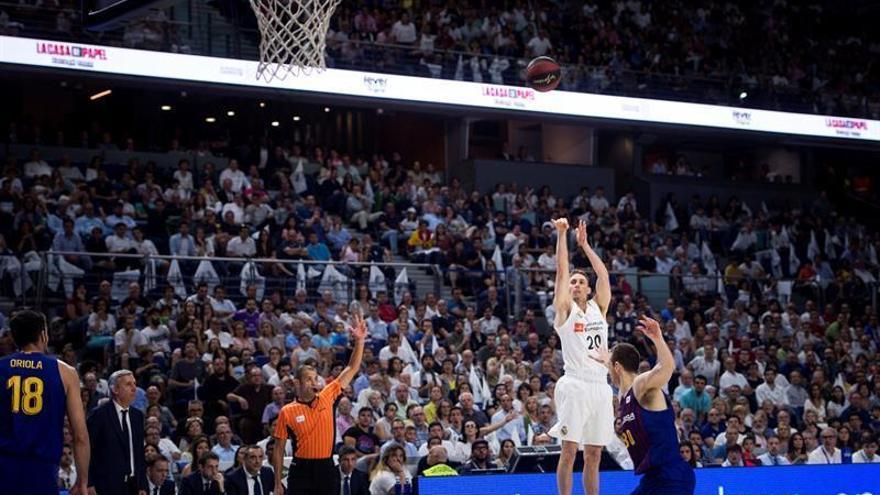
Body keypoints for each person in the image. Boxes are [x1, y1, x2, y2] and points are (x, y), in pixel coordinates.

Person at [547, 218, 614, 495]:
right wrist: (562, 235)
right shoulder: (564, 310)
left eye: (581, 281)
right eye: (573, 282)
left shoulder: (600, 307)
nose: (575, 284)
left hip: (600, 385)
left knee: (595, 454)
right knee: (569, 451)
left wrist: (585, 245)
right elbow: (561, 271)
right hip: (574, 383)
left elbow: (604, 275)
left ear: (588, 288)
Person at [273, 308, 367, 495]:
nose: (314, 382)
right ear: (297, 383)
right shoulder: (287, 411)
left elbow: (351, 367)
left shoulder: (328, 395)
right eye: (309, 379)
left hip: (326, 468)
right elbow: (278, 449)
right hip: (301, 469)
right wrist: (277, 483)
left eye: (315, 378)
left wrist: (359, 341)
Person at [600, 316, 695, 495]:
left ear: (617, 368)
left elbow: (667, 368)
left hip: (670, 476)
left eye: (610, 368)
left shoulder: (640, 385)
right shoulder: (624, 394)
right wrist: (606, 359)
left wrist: (657, 339)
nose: (608, 372)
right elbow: (614, 366)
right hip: (652, 479)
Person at [0, 310, 90, 495]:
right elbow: (80, 435)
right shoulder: (66, 372)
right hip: (43, 469)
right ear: (43, 335)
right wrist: (82, 481)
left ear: (15, 338)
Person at [87, 369, 148, 495]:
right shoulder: (99, 415)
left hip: (133, 486)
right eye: (128, 384)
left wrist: (142, 484)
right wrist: (89, 483)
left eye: (134, 384)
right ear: (115, 390)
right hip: (106, 486)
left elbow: (139, 453)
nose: (134, 388)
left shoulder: (137, 416)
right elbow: (88, 451)